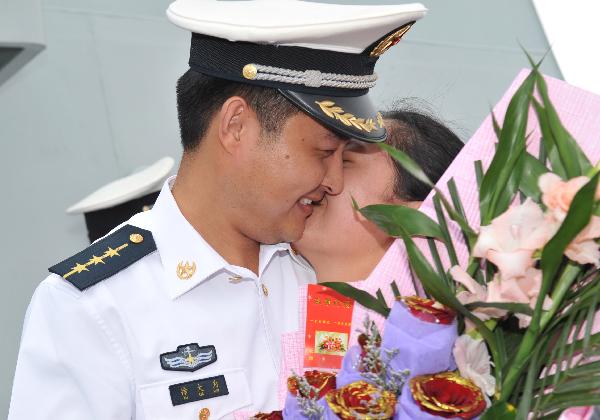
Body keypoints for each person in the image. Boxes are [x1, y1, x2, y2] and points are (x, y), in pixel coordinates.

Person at [8, 0, 427, 418]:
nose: (335, 181)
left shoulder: (317, 271)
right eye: (322, 152)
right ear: (236, 126)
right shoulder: (94, 309)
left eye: (343, 158)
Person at [278, 107, 463, 405]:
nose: (324, 177)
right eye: (326, 156)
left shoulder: (446, 369)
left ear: (409, 218)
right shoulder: (260, 295)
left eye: (346, 162)